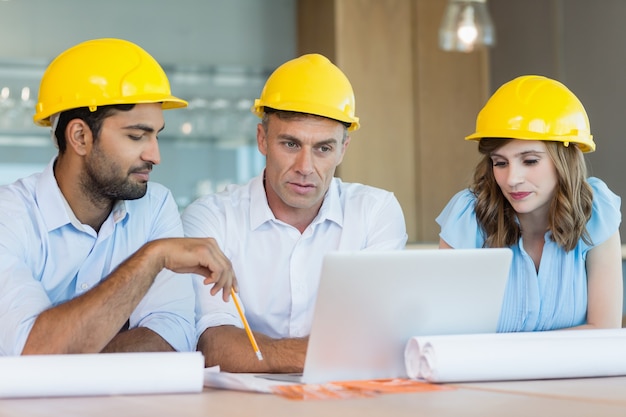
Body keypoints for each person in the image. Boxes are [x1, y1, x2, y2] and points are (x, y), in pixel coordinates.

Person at [0, 38, 236, 356]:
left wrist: (71, 350)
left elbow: (172, 334)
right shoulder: (9, 217)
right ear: (81, 137)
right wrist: (152, 258)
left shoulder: (154, 206)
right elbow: (31, 348)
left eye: (156, 135)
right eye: (136, 136)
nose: (155, 155)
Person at [183, 53, 408, 372]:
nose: (305, 168)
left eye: (323, 149)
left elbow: (379, 336)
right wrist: (329, 352)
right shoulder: (210, 220)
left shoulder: (375, 212)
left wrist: (257, 353)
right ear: (262, 139)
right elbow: (215, 345)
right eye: (290, 144)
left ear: (343, 149)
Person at [437, 74, 622, 332]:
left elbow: (604, 330)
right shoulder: (468, 216)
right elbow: (447, 330)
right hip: (488, 374)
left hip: (574, 374)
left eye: (530, 161)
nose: (512, 179)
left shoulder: (596, 212)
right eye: (500, 163)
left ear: (564, 161)